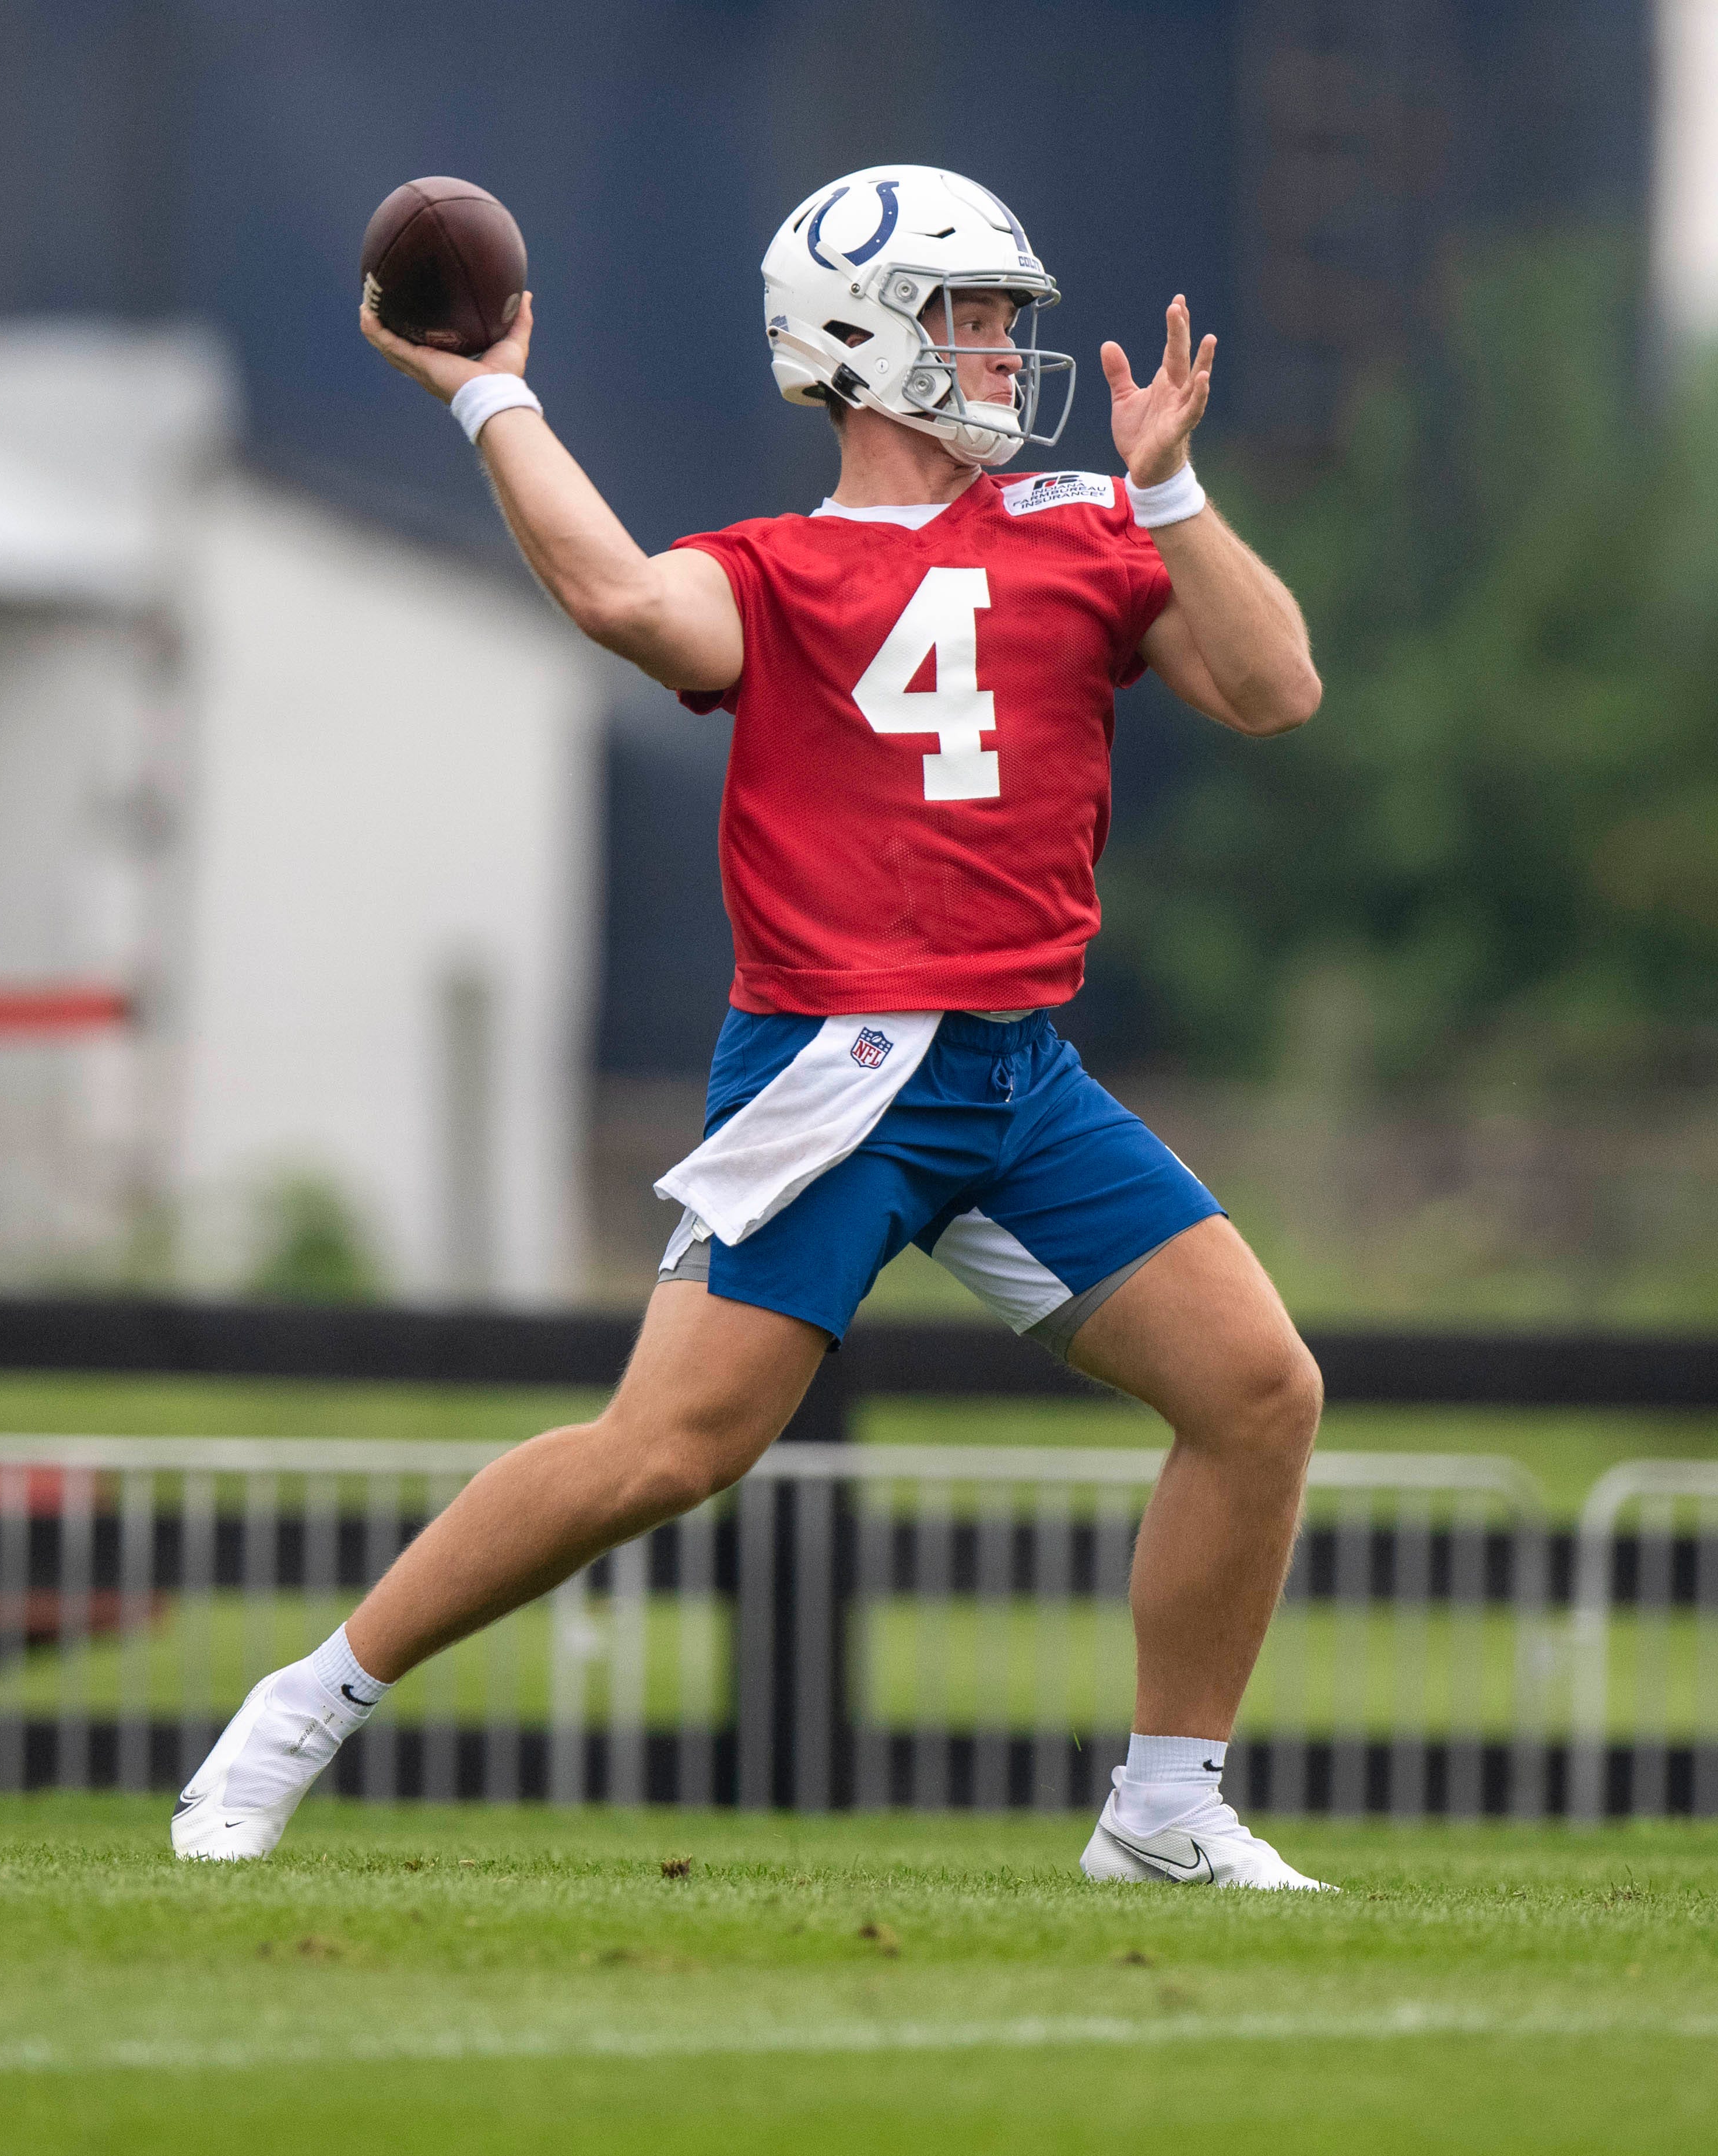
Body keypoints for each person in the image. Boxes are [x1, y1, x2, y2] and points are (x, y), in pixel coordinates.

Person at [174, 164, 1331, 1888]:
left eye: (1012, 317)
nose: (1014, 350)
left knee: (1258, 1388)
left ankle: (1163, 1806)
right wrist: (491, 391)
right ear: (866, 341)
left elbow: (1274, 686)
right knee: (666, 1451)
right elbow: (625, 602)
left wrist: (1172, 495)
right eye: (976, 316)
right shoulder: (775, 574)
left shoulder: (1096, 522)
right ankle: (306, 1701)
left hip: (1021, 1069)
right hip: (839, 1071)